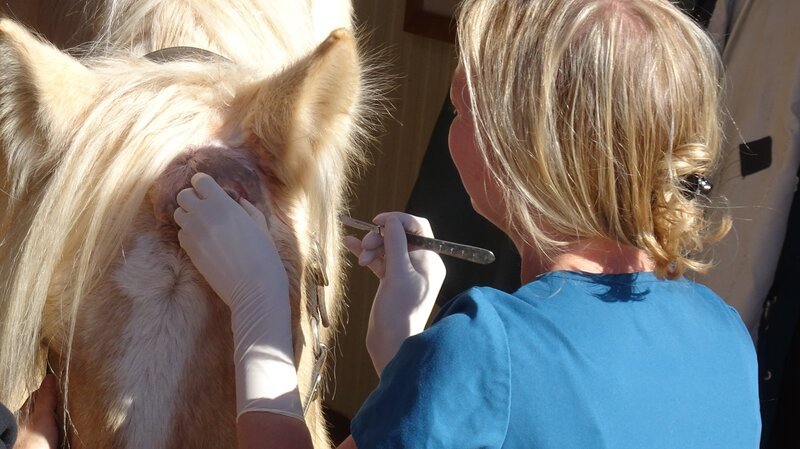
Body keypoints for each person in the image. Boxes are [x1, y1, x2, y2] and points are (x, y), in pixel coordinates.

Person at [15, 0, 762, 447]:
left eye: (461, 108)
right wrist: (406, 351)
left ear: (519, 156)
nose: (451, 117)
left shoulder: (482, 352)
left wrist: (259, 305)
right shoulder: (726, 335)